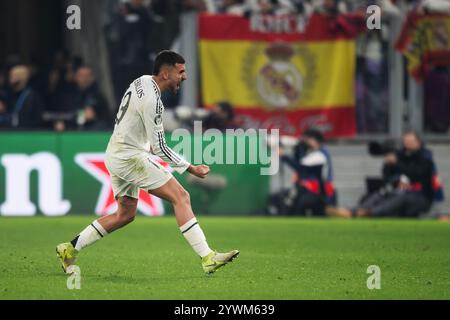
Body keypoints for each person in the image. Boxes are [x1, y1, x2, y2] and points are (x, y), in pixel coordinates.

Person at [56, 50, 239, 275]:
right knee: (181, 197)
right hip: (131, 157)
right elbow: (159, 147)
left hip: (116, 153)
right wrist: (191, 167)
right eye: (181, 72)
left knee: (125, 215)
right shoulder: (153, 102)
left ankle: (70, 247)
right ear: (165, 73)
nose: (185, 77)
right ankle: (207, 256)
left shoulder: (141, 80)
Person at [331, 131, 444, 218]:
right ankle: (354, 211)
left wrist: (397, 163)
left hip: (420, 197)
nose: (408, 144)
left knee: (400, 198)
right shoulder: (401, 155)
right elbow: (388, 178)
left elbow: (416, 174)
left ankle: (369, 213)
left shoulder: (425, 158)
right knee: (380, 194)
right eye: (406, 141)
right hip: (400, 191)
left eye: (411, 141)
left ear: (419, 143)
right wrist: (388, 165)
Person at [278, 128, 336, 216]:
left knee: (304, 206)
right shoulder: (311, 152)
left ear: (315, 140)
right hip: (313, 189)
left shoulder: (321, 154)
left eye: (308, 140)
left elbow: (300, 167)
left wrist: (284, 156)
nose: (306, 142)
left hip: (321, 191)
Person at [6, 65, 45, 129]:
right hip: (13, 131)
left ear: (21, 77)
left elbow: (37, 117)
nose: (10, 78)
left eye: (13, 76)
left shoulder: (31, 95)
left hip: (27, 132)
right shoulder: (10, 94)